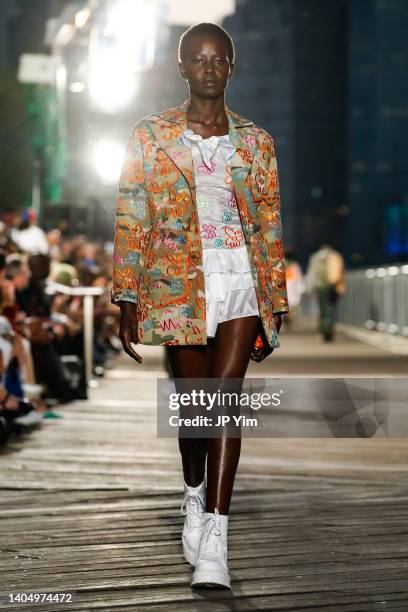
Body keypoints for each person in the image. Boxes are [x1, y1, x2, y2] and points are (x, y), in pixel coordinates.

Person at [111, 22, 289, 589]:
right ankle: (193, 491)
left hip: (240, 280)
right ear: (182, 67)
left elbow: (267, 221)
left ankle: (216, 538)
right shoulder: (150, 135)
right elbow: (132, 212)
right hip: (176, 286)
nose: (209, 67)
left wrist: (274, 298)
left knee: (222, 402)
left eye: (219, 59)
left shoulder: (256, 142)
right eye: (198, 59)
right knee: (195, 409)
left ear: (231, 67)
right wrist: (126, 294)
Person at [305, 239, 346, 342]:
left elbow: (312, 273)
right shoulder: (336, 256)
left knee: (322, 310)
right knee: (331, 309)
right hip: (333, 286)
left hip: (320, 286)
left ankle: (323, 331)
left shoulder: (315, 257)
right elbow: (340, 271)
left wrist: (309, 287)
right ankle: (330, 330)